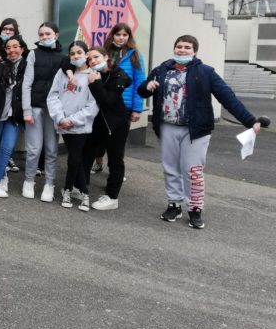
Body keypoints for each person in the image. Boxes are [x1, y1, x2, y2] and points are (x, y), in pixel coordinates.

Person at [138, 35, 263, 229]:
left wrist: (250, 120)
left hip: (195, 130)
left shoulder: (206, 72)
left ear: (194, 51)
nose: (182, 50)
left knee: (193, 170)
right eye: (179, 46)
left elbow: (227, 97)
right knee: (171, 168)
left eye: (187, 47)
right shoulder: (161, 70)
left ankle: (195, 208)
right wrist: (146, 86)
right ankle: (174, 204)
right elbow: (143, 91)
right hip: (167, 127)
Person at [47, 41, 99, 210]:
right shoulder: (62, 74)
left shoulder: (92, 75)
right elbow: (53, 96)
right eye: (72, 53)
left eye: (79, 52)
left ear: (86, 54)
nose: (76, 56)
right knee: (75, 158)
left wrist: (73, 120)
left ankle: (74, 190)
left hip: (79, 125)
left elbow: (92, 105)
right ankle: (78, 190)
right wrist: (61, 118)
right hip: (63, 123)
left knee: (74, 158)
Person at [81, 46, 133, 211]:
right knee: (87, 152)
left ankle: (112, 197)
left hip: (116, 124)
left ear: (106, 56)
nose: (92, 61)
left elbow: (107, 101)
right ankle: (81, 186)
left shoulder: (118, 75)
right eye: (89, 59)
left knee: (115, 160)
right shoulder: (94, 74)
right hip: (97, 123)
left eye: (96, 57)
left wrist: (95, 83)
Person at [91, 23, 146, 174]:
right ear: (112, 35)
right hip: (103, 101)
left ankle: (115, 171)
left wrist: (137, 108)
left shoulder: (135, 55)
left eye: (125, 35)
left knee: (117, 143)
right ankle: (98, 163)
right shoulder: (104, 52)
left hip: (124, 106)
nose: (121, 38)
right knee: (98, 140)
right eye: (118, 34)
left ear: (129, 37)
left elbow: (139, 82)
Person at [21, 22, 67, 201]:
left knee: (51, 148)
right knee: (34, 148)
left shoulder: (63, 58)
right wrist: (26, 110)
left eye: (48, 34)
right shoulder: (33, 54)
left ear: (56, 34)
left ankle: (49, 184)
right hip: (35, 107)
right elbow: (27, 83)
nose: (44, 37)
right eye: (41, 34)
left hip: (54, 110)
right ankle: (29, 181)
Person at [0, 35, 27, 197]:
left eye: (15, 46)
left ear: (22, 48)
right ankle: (1, 176)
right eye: (8, 47)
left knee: (7, 147)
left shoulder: (27, 66)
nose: (12, 50)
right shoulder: (0, 66)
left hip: (14, 116)